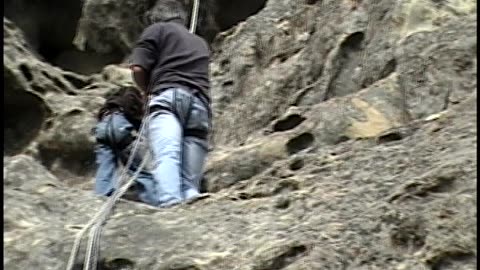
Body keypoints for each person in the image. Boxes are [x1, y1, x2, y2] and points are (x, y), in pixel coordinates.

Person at [130, 14, 211, 207]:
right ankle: (191, 194)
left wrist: (146, 91)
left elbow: (138, 69)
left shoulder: (156, 30)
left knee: (168, 153)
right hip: (199, 103)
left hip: (167, 96)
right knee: (190, 179)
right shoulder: (200, 42)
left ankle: (170, 201)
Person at [93, 85, 158, 206]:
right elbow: (137, 120)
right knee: (139, 169)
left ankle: (101, 197)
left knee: (105, 167)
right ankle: (153, 199)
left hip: (102, 128)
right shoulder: (130, 97)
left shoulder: (110, 104)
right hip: (120, 128)